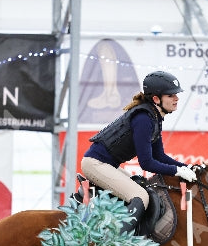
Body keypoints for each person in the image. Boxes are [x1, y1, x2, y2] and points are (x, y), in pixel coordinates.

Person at [81, 70, 197, 236]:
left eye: (176, 95)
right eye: (171, 95)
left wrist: (186, 167)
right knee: (140, 196)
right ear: (156, 99)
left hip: (105, 164)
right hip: (95, 164)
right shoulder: (144, 118)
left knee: (144, 188)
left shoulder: (154, 117)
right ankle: (115, 243)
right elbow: (147, 163)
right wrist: (177, 171)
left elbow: (159, 156)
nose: (176, 98)